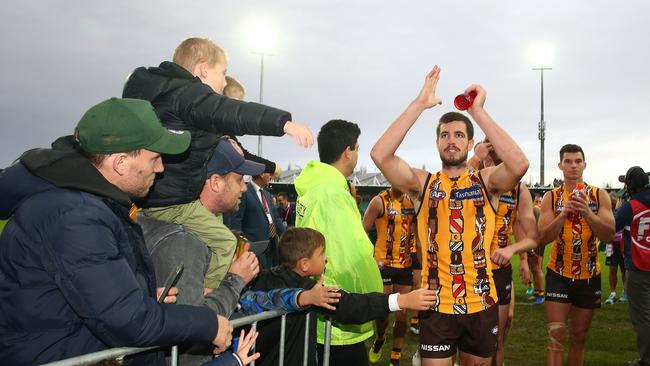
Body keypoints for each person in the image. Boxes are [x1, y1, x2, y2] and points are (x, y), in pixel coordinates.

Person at [0, 98, 233, 365]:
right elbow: (127, 320)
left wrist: (139, 295)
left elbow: (86, 294)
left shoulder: (85, 202)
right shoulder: (74, 214)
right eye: (154, 158)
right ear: (121, 163)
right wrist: (208, 324)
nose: (160, 168)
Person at [122, 37, 313, 289]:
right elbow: (233, 113)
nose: (224, 82)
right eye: (222, 73)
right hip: (172, 202)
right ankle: (209, 294)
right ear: (203, 70)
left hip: (160, 197)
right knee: (224, 241)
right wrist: (283, 123)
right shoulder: (189, 96)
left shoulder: (168, 99)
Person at [371, 66, 529, 366]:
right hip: (436, 306)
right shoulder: (423, 184)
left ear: (471, 144)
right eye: (444, 135)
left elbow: (519, 164)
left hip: (481, 304)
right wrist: (419, 103)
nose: (451, 140)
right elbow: (380, 155)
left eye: (459, 135)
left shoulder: (487, 182)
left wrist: (478, 112)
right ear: (437, 143)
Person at [248, 227, 437, 366]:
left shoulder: (262, 278)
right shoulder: (309, 290)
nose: (326, 258)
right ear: (304, 264)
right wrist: (402, 300)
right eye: (322, 253)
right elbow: (351, 306)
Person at [294, 119, 384, 365]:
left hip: (319, 303)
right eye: (357, 148)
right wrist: (371, 300)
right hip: (336, 311)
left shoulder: (318, 187)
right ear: (348, 151)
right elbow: (348, 256)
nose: (357, 154)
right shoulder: (332, 194)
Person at [537, 144, 615, 366]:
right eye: (568, 161)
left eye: (577, 161)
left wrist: (587, 213)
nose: (573, 166)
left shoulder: (599, 196)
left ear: (584, 164)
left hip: (589, 277)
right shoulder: (551, 198)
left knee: (579, 338)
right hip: (559, 274)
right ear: (560, 165)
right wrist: (563, 215)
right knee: (556, 337)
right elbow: (543, 237)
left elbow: (609, 236)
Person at [470, 140, 538, 366]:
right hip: (469, 270)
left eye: (496, 147)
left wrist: (517, 253)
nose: (494, 152)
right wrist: (476, 158)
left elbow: (530, 234)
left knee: (498, 333)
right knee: (471, 335)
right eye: (488, 148)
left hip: (499, 270)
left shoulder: (519, 189)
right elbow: (447, 185)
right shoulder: (471, 180)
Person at [363, 188, 417, 365]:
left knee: (402, 314)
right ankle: (380, 338)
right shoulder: (379, 201)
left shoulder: (413, 201)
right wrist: (371, 257)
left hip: (405, 265)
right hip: (383, 265)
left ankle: (396, 356)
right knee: (382, 312)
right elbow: (362, 231)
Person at [614, 166, 650, 366]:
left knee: (642, 316)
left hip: (639, 266)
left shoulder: (631, 206)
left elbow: (613, 226)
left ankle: (646, 359)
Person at [231, 171, 285, 269]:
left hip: (272, 244)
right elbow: (237, 220)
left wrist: (286, 236)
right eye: (270, 174)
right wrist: (240, 247)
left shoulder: (267, 195)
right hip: (254, 247)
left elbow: (275, 219)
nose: (271, 177)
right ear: (262, 174)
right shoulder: (244, 192)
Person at [604, 192, 627, 304]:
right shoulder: (607, 212)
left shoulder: (620, 211)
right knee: (612, 268)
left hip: (622, 244)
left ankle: (625, 293)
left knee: (624, 269)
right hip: (611, 244)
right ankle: (612, 293)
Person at [526, 193, 546, 305]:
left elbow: (539, 228)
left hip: (536, 242)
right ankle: (537, 293)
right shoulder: (532, 210)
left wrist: (534, 245)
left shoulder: (535, 210)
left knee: (537, 268)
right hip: (533, 242)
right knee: (534, 268)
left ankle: (541, 294)